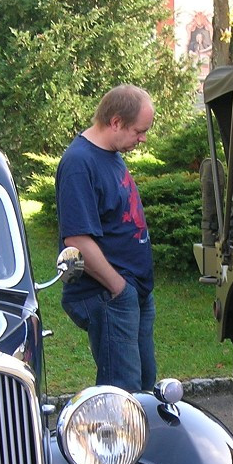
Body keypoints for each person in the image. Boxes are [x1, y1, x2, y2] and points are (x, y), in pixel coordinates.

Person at [55, 84, 156, 392]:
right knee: (122, 398)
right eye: (139, 131)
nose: (143, 138)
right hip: (109, 297)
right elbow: (77, 240)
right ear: (115, 122)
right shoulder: (79, 163)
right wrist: (119, 288)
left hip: (132, 295)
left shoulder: (109, 154)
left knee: (144, 390)